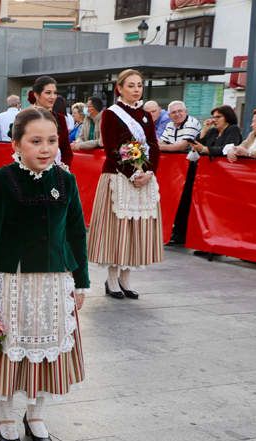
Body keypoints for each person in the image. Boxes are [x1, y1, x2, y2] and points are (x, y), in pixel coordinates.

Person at [0, 107, 88, 441]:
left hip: (54, 282)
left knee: (45, 353)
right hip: (12, 283)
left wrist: (81, 281)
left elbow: (76, 232)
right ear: (16, 143)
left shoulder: (65, 180)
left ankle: (36, 414)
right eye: (35, 141)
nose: (45, 148)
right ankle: (5, 415)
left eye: (51, 141)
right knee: (9, 352)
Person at [87, 69, 162, 299]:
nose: (136, 89)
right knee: (117, 230)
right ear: (119, 88)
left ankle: (126, 278)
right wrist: (133, 172)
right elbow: (112, 148)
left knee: (135, 230)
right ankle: (111, 279)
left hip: (143, 178)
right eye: (131, 85)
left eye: (139, 85)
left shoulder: (145, 115)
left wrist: (148, 171)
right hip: (118, 177)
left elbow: (153, 144)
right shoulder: (111, 114)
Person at [167, 105, 243, 246]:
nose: (215, 120)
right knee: (186, 201)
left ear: (227, 117)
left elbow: (228, 148)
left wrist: (206, 149)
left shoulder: (233, 129)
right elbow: (197, 145)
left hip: (220, 175)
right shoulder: (213, 131)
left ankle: (210, 240)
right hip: (201, 173)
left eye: (218, 117)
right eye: (214, 117)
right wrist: (204, 131)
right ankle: (180, 234)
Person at [29, 76, 73, 166]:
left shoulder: (60, 119)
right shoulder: (25, 117)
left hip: (55, 171)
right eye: (48, 93)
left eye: (55, 93)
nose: (52, 97)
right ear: (36, 95)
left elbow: (66, 151)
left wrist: (62, 172)